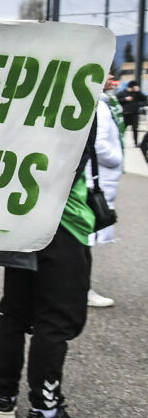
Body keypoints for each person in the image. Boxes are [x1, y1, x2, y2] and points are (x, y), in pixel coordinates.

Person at [0, 170, 98, 418]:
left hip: (22, 219)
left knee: (13, 314)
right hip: (63, 224)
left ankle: (3, 397)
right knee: (55, 321)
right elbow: (74, 159)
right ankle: (46, 411)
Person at [87, 83, 122, 307]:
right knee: (85, 238)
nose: (113, 78)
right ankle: (81, 288)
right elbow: (98, 143)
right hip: (97, 177)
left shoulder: (103, 102)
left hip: (98, 177)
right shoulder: (98, 105)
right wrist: (117, 159)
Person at [117, 80, 145, 145]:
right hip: (125, 114)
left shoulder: (136, 94)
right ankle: (120, 142)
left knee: (135, 128)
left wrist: (139, 92)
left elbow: (144, 99)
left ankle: (136, 143)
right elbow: (117, 100)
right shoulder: (123, 93)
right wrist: (125, 99)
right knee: (123, 129)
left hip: (134, 114)